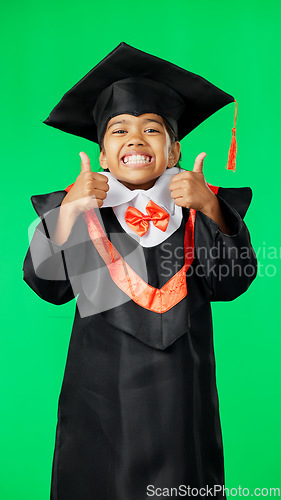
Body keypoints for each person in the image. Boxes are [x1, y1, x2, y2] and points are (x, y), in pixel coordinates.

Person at [23, 42, 257, 500]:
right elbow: (48, 286)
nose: (135, 139)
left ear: (174, 153)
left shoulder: (195, 211)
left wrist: (210, 206)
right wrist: (69, 211)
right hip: (98, 395)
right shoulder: (87, 213)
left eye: (153, 129)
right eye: (119, 130)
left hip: (181, 399)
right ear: (104, 156)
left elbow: (231, 283)